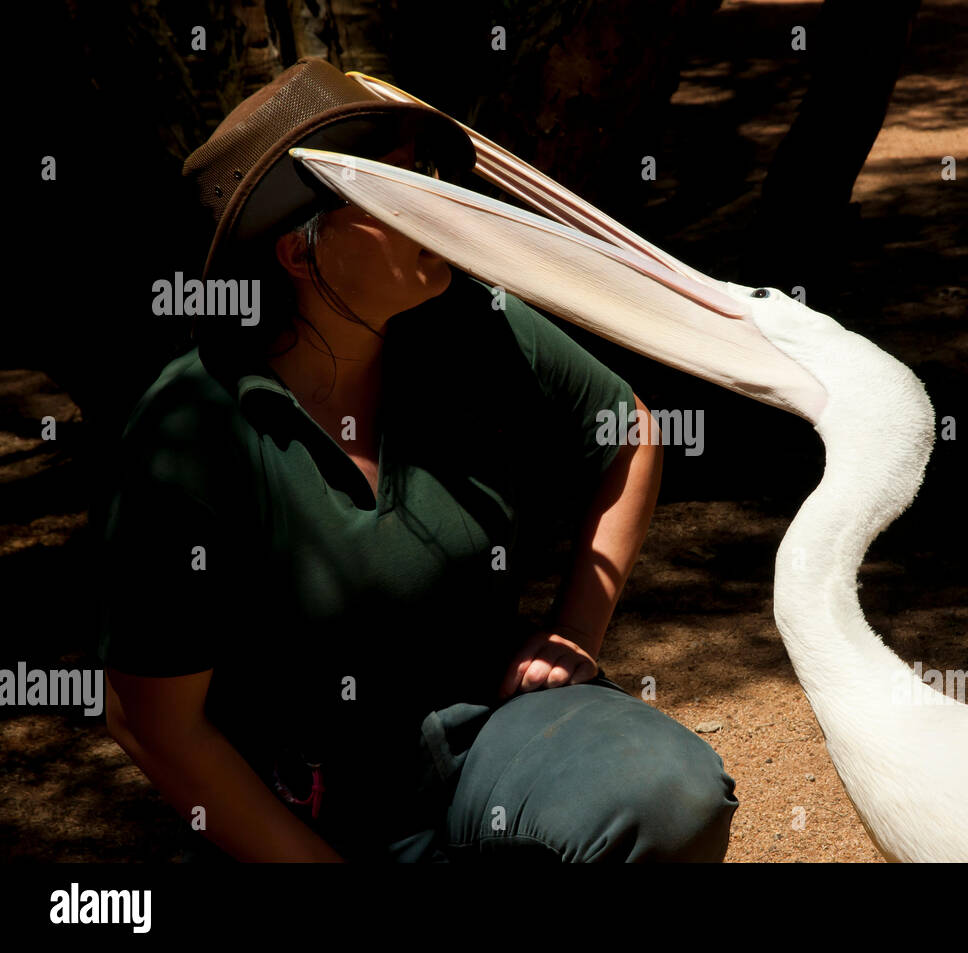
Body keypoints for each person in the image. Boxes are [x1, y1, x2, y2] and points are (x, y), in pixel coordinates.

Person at [99, 57, 738, 862]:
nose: (438, 208)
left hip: (490, 743)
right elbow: (152, 724)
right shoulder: (190, 431)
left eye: (425, 178)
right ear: (299, 255)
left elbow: (630, 430)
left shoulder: (468, 323)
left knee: (670, 795)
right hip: (306, 812)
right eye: (393, 194)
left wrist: (576, 629)